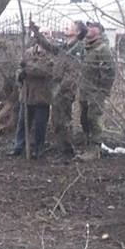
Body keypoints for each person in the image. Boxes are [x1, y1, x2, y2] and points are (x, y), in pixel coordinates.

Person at [30, 20, 87, 158]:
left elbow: (74, 73)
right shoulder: (65, 47)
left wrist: (63, 89)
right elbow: (49, 47)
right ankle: (62, 150)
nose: (67, 26)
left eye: (71, 26)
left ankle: (67, 152)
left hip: (65, 91)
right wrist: (37, 34)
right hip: (57, 89)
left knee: (64, 120)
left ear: (78, 32)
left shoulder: (78, 48)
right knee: (57, 121)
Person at [11, 43, 54, 159]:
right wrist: (19, 75)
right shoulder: (28, 52)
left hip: (42, 96)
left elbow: (45, 70)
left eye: (46, 34)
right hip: (27, 94)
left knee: (40, 124)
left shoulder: (51, 54)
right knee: (23, 122)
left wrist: (27, 69)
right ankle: (19, 146)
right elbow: (20, 68)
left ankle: (38, 148)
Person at [79, 22, 116, 153]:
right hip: (84, 91)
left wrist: (102, 91)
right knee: (84, 119)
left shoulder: (102, 49)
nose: (88, 28)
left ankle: (95, 150)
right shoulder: (87, 48)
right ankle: (88, 145)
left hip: (96, 92)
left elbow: (110, 71)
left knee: (93, 119)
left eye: (92, 26)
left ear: (99, 31)